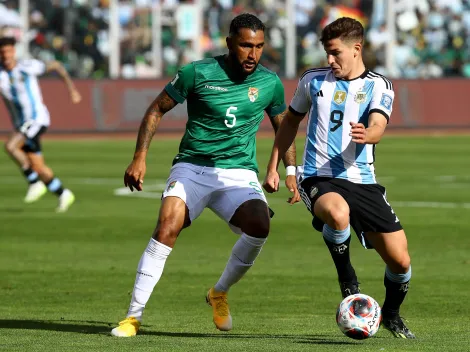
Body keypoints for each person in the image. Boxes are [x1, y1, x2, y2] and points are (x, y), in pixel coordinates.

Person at [111, 13, 299, 337]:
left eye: (259, 46)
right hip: (192, 168)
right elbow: (157, 108)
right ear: (229, 43)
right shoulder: (197, 73)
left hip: (239, 174)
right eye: (245, 45)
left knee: (260, 225)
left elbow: (284, 127)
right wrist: (139, 157)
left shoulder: (269, 82)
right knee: (167, 225)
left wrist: (289, 170)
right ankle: (132, 318)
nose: (253, 54)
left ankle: (219, 292)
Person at [263, 17, 416, 339]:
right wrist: (280, 167)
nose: (330, 61)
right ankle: (348, 280)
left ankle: (390, 314)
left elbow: (378, 125)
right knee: (337, 213)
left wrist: (368, 133)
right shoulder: (313, 81)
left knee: (401, 262)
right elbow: (289, 122)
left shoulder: (379, 85)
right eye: (327, 53)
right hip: (319, 177)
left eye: (335, 53)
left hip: (362, 180)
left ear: (356, 49)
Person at [0, 37, 80, 212]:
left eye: (8, 51)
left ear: (14, 51)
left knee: (11, 147)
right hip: (22, 124)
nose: (5, 55)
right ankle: (63, 193)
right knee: (38, 166)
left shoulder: (27, 66)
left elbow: (57, 66)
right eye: (2, 52)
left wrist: (72, 90)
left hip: (36, 119)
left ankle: (33, 181)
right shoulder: (1, 74)